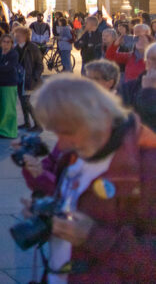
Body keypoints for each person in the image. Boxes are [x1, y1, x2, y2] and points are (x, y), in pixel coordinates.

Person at [22, 75, 156, 282]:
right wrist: (45, 214)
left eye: (67, 132)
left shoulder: (146, 166)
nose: (62, 144)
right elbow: (73, 201)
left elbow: (150, 263)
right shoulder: (73, 156)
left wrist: (92, 236)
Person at [14, 27, 43, 132]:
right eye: (16, 35)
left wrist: (35, 77)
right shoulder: (16, 48)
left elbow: (39, 65)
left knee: (26, 101)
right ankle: (27, 122)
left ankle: (38, 124)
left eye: (19, 35)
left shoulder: (33, 47)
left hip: (29, 79)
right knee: (23, 101)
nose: (17, 37)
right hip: (20, 79)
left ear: (26, 36)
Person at [0, 34, 19, 139]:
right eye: (4, 41)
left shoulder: (14, 54)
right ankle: (1, 129)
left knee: (8, 108)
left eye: (8, 42)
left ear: (11, 44)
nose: (6, 44)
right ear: (0, 43)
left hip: (9, 84)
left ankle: (9, 132)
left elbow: (8, 68)